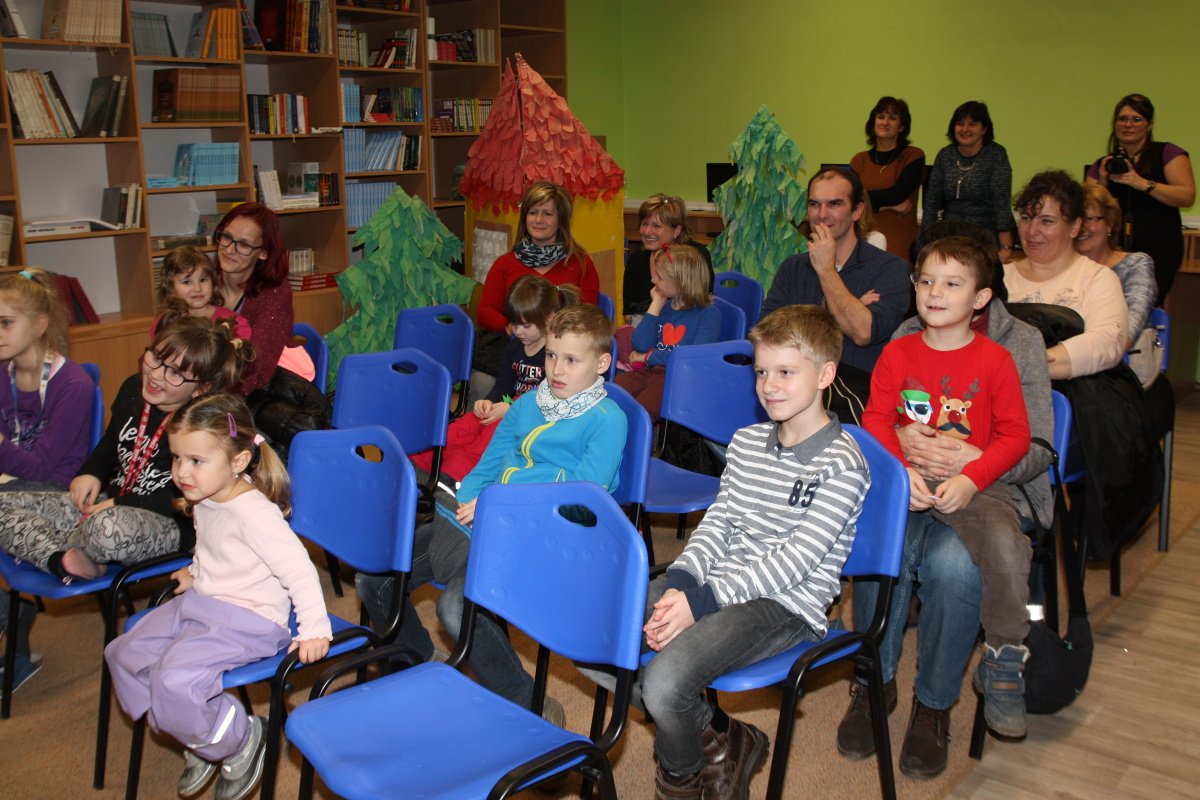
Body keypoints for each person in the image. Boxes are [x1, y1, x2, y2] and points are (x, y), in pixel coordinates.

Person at [839, 221, 1052, 778]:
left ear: (981, 298)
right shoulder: (900, 349)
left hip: (977, 486)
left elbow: (1020, 438)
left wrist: (973, 474)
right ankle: (871, 680)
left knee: (998, 546)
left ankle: (983, 671)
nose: (935, 292)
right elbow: (876, 419)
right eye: (926, 281)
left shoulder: (1002, 356)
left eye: (952, 284)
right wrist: (900, 467)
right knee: (876, 546)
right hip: (910, 480)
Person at [642, 305, 869, 799]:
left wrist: (701, 602)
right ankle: (722, 738)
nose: (769, 385)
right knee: (603, 639)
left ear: (825, 375)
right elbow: (719, 522)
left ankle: (680, 778)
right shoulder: (746, 441)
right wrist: (683, 583)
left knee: (661, 685)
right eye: (762, 372)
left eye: (786, 372)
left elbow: (797, 560)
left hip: (785, 605)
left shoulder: (843, 463)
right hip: (718, 584)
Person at [361, 304, 626, 715]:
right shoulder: (529, 403)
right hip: (489, 519)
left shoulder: (607, 420)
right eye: (551, 355)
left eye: (572, 360)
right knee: (375, 578)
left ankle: (527, 703)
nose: (557, 369)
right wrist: (469, 498)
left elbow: (580, 503)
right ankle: (418, 662)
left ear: (602, 364)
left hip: (546, 535)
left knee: (454, 607)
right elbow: (488, 466)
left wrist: (500, 501)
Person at [0, 317, 251, 689]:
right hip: (109, 503)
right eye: (156, 358)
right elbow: (109, 444)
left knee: (107, 529)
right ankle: (60, 558)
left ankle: (54, 545)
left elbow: (192, 496)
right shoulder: (134, 388)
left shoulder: (203, 424)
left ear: (201, 389)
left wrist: (120, 501)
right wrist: (91, 472)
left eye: (176, 373)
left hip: (170, 522)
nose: (157, 375)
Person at [105, 393, 331, 800]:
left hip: (249, 619)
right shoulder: (207, 494)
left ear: (239, 461)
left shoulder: (254, 513)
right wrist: (196, 571)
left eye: (196, 460)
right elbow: (215, 545)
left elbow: (300, 570)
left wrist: (315, 628)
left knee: (174, 679)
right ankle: (193, 731)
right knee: (122, 654)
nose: (181, 472)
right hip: (206, 602)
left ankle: (239, 739)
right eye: (177, 458)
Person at [762, 166, 911, 424]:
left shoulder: (891, 269)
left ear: (857, 211)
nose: (822, 214)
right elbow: (767, 334)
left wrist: (826, 270)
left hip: (855, 388)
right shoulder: (793, 268)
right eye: (814, 204)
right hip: (792, 384)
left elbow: (863, 332)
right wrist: (841, 314)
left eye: (834, 204)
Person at [413, 275, 581, 481]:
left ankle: (450, 481)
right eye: (513, 323)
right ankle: (418, 466)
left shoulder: (556, 353)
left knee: (483, 444)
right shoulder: (516, 345)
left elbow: (552, 401)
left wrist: (511, 409)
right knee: (463, 427)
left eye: (526, 325)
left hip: (531, 418)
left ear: (549, 319)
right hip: (508, 408)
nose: (518, 331)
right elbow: (503, 385)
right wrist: (488, 401)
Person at [1004, 170, 1127, 380]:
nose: (1032, 231)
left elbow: (1107, 342)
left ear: (1075, 227)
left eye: (1047, 221)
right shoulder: (999, 276)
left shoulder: (1098, 278)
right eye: (1026, 218)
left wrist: (1028, 365)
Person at [1086, 93, 1195, 303]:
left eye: (1136, 119)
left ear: (1149, 125)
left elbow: (1186, 196)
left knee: (1145, 304)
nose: (1128, 125)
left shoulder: (1168, 153)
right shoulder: (1104, 164)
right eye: (1122, 119)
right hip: (1112, 249)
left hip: (1159, 247)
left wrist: (1141, 183)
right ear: (1114, 124)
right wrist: (1103, 182)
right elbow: (1088, 209)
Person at [0, 268, 93, 491]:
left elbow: (40, 470)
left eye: (6, 323)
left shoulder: (74, 385)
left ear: (39, 325)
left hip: (54, 491)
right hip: (10, 483)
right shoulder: (4, 374)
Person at [616, 244, 721, 420]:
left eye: (660, 277)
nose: (653, 280)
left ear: (681, 283)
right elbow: (640, 343)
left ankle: (637, 437)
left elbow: (690, 358)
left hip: (679, 380)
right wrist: (655, 304)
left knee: (640, 412)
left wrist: (648, 357)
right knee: (609, 393)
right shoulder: (665, 306)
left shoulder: (709, 314)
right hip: (652, 372)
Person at [1076, 183, 1158, 379]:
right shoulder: (1060, 268)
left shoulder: (1135, 265)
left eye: (1090, 218)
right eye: (1076, 219)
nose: (1082, 227)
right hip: (1072, 361)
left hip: (1119, 369)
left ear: (1110, 223)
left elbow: (1129, 328)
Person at [211, 203, 294, 393]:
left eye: (244, 245)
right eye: (227, 237)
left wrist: (208, 397)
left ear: (264, 252)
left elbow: (256, 367)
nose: (229, 250)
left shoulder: (275, 293)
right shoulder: (202, 282)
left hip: (247, 393)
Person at [923, 101, 1015, 258]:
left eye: (972, 124)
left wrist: (1005, 247)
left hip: (985, 237)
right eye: (960, 123)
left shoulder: (996, 155)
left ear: (984, 129)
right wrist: (925, 242)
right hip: (950, 235)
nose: (965, 129)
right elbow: (931, 202)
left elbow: (1001, 205)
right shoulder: (945, 155)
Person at [850, 96, 926, 261]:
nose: (885, 122)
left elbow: (897, 194)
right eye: (881, 117)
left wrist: (871, 200)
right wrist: (889, 206)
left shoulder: (913, 156)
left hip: (900, 240)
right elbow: (852, 198)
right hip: (865, 237)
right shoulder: (859, 160)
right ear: (873, 122)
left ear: (901, 126)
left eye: (892, 118)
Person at [623, 193, 713, 324]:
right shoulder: (636, 259)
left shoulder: (694, 257)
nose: (647, 231)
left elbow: (702, 306)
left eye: (657, 226)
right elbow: (629, 314)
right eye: (644, 224)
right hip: (645, 325)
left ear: (676, 230)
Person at [153, 245, 251, 340]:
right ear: (170, 287)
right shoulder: (164, 323)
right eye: (187, 282)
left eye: (203, 280)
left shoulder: (234, 324)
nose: (197, 288)